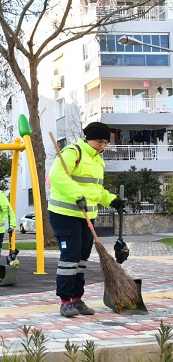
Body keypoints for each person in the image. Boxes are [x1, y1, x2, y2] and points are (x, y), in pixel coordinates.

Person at [48, 121, 124, 317]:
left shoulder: (98, 160)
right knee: (70, 257)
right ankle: (65, 301)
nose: (102, 146)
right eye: (100, 141)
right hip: (65, 214)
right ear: (89, 138)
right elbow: (57, 176)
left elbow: (95, 190)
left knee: (81, 259)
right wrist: (76, 195)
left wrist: (111, 200)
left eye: (106, 142)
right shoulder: (73, 153)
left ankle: (77, 299)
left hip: (86, 215)